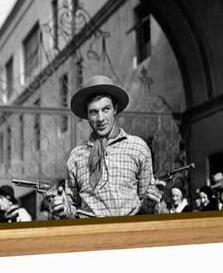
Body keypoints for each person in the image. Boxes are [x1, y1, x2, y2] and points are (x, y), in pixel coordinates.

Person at [48, 75, 164, 218]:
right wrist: (64, 208)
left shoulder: (138, 147)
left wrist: (150, 202)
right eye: (93, 112)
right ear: (87, 115)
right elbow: (73, 207)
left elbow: (147, 207)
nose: (100, 118)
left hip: (129, 232)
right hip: (91, 235)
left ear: (115, 109)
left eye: (106, 109)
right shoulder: (76, 156)